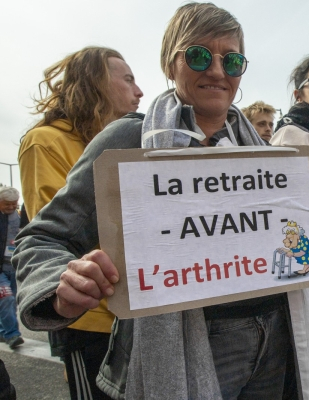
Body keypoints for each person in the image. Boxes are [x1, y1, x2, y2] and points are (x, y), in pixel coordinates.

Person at [14, 3, 290, 399]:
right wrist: (60, 282)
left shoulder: (266, 155)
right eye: (197, 55)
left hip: (274, 347)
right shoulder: (128, 141)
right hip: (188, 349)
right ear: (169, 63)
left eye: (232, 60)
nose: (216, 71)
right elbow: (41, 238)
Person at [18, 46, 143, 400]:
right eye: (129, 79)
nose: (140, 91)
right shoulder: (45, 141)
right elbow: (61, 233)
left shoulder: (124, 141)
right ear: (95, 82)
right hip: (87, 319)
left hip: (134, 316)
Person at [0, 187, 23, 350]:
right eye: (7, 204)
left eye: (14, 204)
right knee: (6, 298)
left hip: (13, 266)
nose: (10, 207)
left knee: (10, 302)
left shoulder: (20, 216)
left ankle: (3, 330)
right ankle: (12, 334)